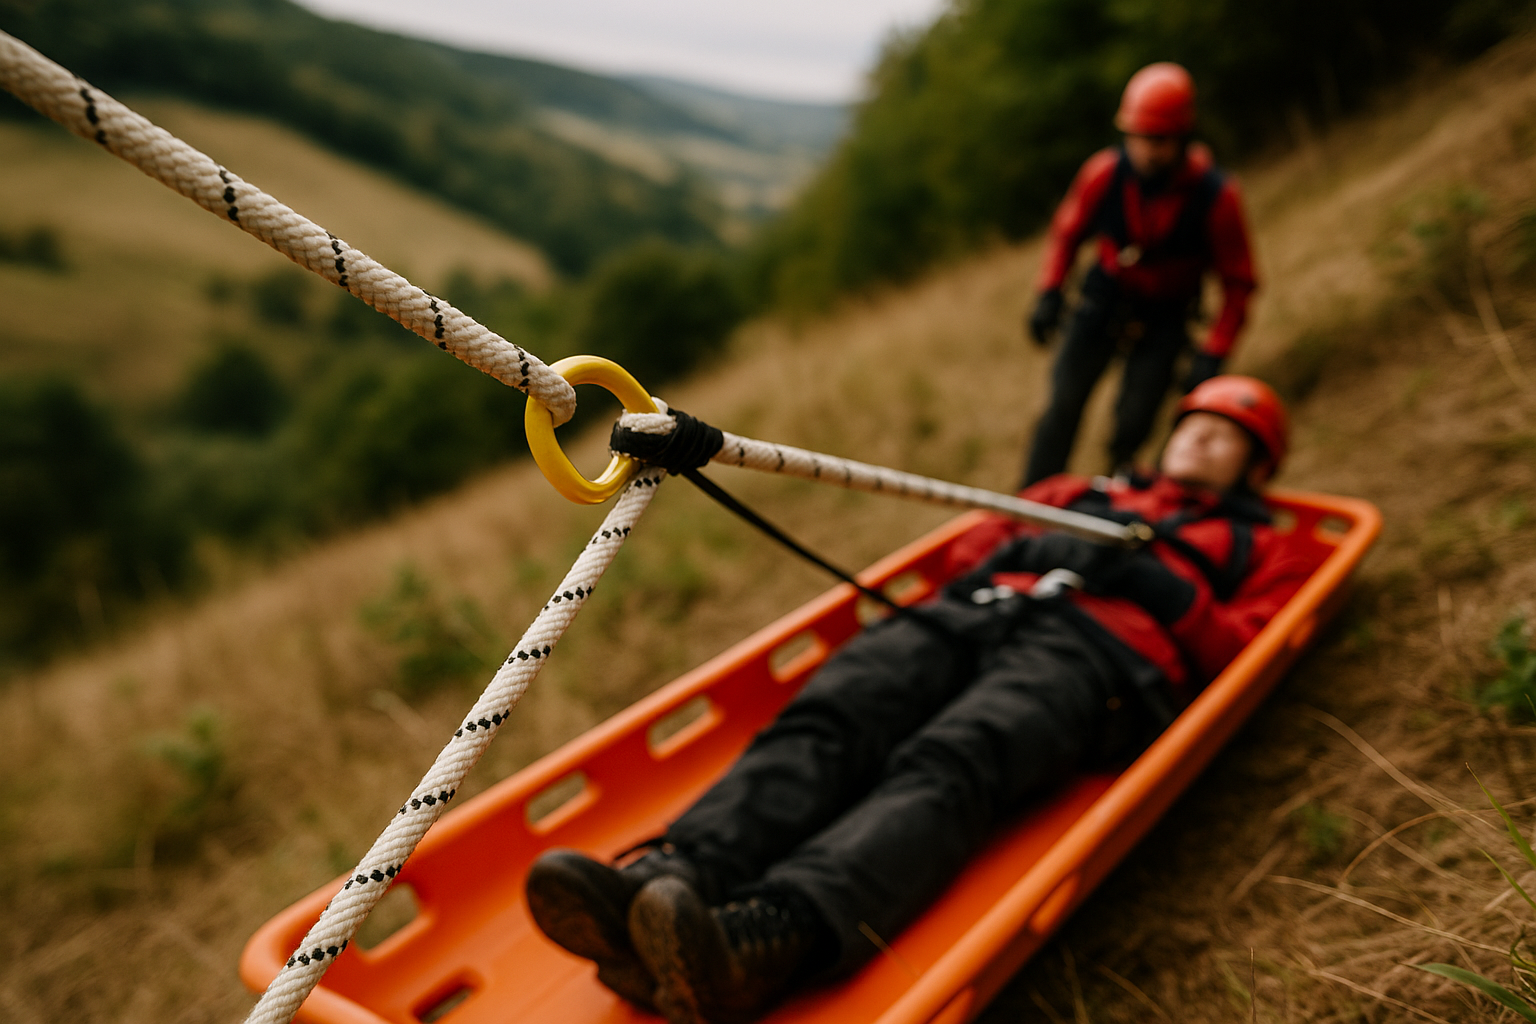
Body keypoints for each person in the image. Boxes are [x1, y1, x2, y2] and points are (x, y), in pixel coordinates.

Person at [527, 376, 1311, 1024]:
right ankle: (674, 876)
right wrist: (1030, 550)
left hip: (1094, 655)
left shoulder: (1260, 546)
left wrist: (1160, 586)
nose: (1201, 439)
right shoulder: (1080, 491)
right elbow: (972, 549)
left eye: (1226, 435)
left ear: (1255, 466)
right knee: (837, 715)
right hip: (978, 613)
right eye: (1195, 424)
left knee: (953, 759)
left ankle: (764, 939)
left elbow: (1244, 648)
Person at [1021, 62, 1258, 488]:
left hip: (1166, 317)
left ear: (1183, 136)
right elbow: (1066, 234)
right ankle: (1028, 503)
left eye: (1159, 140)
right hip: (1102, 301)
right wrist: (1050, 291)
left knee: (1135, 421)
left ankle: (1118, 495)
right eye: (1139, 138)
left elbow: (1239, 284)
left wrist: (1214, 352)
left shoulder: (1216, 197)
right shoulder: (1103, 175)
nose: (1147, 150)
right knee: (1062, 406)